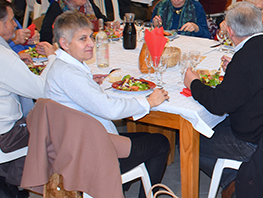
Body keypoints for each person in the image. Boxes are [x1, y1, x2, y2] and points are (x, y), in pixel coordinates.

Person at [44, 11, 170, 198]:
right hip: (91, 153)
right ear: (64, 44)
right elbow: (110, 109)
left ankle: (122, 185)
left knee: (145, 138)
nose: (91, 44)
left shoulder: (60, 67)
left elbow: (77, 92)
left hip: (73, 144)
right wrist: (148, 101)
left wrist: (88, 82)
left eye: (91, 37)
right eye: (82, 39)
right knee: (160, 143)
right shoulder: (69, 74)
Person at [183, 2, 263, 189]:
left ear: (230, 32)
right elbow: (260, 77)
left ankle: (233, 182)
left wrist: (193, 83)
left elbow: (218, 105)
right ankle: (237, 177)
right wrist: (234, 70)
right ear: (259, 24)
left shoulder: (245, 58)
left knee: (190, 141)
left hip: (254, 141)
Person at [0, 0, 57, 196]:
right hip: (0, 135)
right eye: (11, 20)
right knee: (55, 125)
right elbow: (42, 89)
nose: (14, 25)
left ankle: (2, 182)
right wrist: (52, 57)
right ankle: (29, 184)